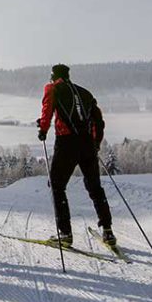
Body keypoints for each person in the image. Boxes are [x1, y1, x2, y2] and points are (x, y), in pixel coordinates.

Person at [37, 64, 115, 247]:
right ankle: (108, 232)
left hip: (66, 143)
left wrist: (42, 129)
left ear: (53, 76)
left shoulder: (52, 88)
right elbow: (98, 120)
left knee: (57, 185)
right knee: (95, 188)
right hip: (87, 144)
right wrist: (95, 143)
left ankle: (65, 234)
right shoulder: (85, 93)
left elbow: (47, 110)